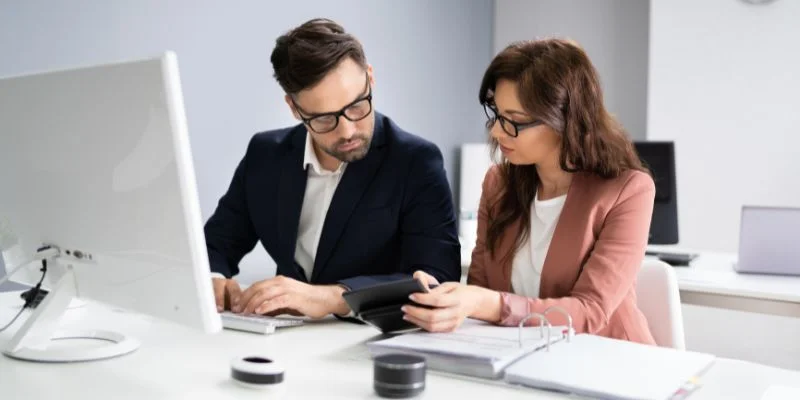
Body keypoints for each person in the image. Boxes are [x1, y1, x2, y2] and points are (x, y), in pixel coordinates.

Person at [405, 38, 657, 345]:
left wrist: (487, 304)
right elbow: (480, 287)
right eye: (497, 115)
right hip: (521, 357)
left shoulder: (628, 191)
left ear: (566, 120)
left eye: (516, 121)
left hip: (610, 361)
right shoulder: (498, 184)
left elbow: (590, 311)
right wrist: (445, 298)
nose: (497, 132)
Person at [205, 18, 460, 319]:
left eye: (357, 106)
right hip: (282, 340)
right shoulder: (265, 155)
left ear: (370, 78)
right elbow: (214, 246)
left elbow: (439, 278)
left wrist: (331, 298)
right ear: (293, 108)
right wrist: (214, 280)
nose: (349, 130)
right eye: (324, 119)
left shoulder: (416, 162)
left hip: (366, 344)